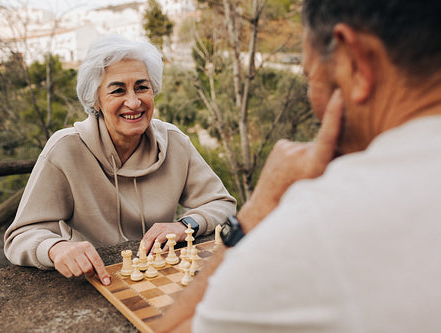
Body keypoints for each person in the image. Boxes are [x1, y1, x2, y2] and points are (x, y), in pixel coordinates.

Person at [156, 0, 441, 331]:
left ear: (356, 63)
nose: (313, 99)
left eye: (309, 76)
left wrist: (259, 207)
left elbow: (171, 328)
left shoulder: (321, 221)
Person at [4, 35, 236, 286]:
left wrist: (186, 224)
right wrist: (56, 248)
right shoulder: (66, 148)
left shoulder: (173, 141)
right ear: (96, 100)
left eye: (142, 87)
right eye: (117, 90)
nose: (134, 102)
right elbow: (21, 235)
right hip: (97, 283)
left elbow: (222, 203)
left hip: (162, 276)